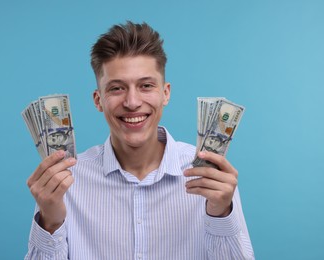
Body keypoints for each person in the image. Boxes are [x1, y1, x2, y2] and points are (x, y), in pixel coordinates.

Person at [25, 21, 255, 259]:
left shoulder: (209, 177)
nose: (132, 102)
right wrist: (50, 222)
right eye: (116, 88)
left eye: (146, 86)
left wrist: (220, 215)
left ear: (165, 93)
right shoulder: (64, 181)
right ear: (98, 100)